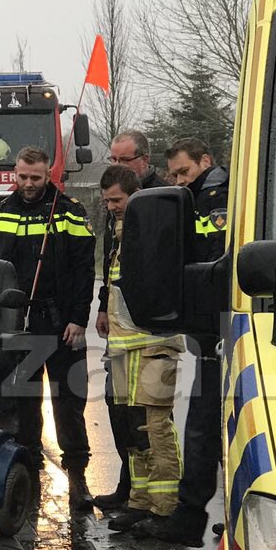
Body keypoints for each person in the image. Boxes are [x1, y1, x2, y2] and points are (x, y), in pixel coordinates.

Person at [131, 137, 228, 547]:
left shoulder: (214, 195)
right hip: (217, 331)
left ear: (205, 162)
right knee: (213, 428)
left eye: (183, 171)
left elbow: (211, 262)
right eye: (172, 174)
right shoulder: (195, 197)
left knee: (206, 429)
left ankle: (190, 517)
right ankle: (216, 514)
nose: (177, 180)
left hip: (220, 331)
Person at [0, 147, 96, 515]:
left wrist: (79, 318)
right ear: (14, 173)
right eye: (22, 177)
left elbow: (84, 271)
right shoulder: (3, 211)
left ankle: (78, 476)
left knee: (68, 402)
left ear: (48, 174)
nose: (28, 184)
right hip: (19, 322)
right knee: (23, 402)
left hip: (62, 322)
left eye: (35, 177)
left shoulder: (69, 211)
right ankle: (29, 471)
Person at [92, 164, 183, 527]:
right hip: (122, 344)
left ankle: (166, 508)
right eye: (107, 201)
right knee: (130, 426)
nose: (112, 206)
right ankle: (139, 501)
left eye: (117, 200)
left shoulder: (152, 228)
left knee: (154, 425)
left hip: (153, 342)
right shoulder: (117, 233)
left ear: (134, 194)